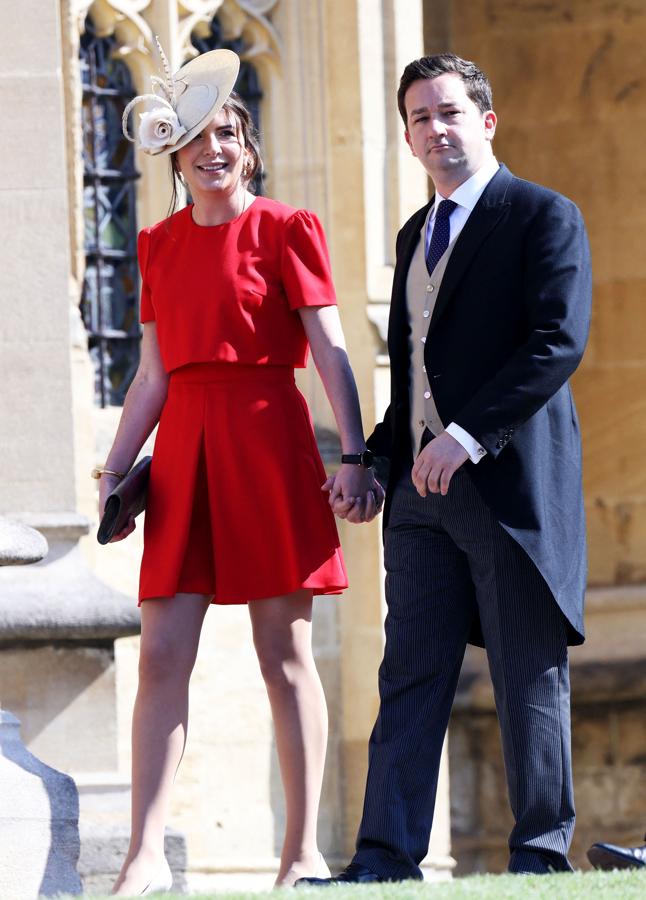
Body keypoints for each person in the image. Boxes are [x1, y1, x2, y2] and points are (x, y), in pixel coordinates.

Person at [96, 45, 382, 896]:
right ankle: (145, 856)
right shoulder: (155, 246)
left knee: (283, 652)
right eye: (195, 139)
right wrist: (116, 471)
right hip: (182, 450)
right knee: (161, 656)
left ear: (247, 145)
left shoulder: (288, 229)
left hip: (268, 438)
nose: (213, 150)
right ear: (175, 158)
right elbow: (150, 374)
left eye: (227, 133)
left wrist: (357, 455)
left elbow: (330, 349)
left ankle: (301, 854)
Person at [299, 53, 592, 883]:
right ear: (406, 136)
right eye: (422, 118)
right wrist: (371, 461)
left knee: (526, 672)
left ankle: (540, 859)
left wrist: (467, 436)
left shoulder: (541, 215)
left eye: (452, 112)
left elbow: (556, 344)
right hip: (422, 503)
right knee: (410, 671)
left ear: (487, 121)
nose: (437, 128)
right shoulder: (412, 235)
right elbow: (419, 379)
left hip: (507, 489)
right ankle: (384, 860)